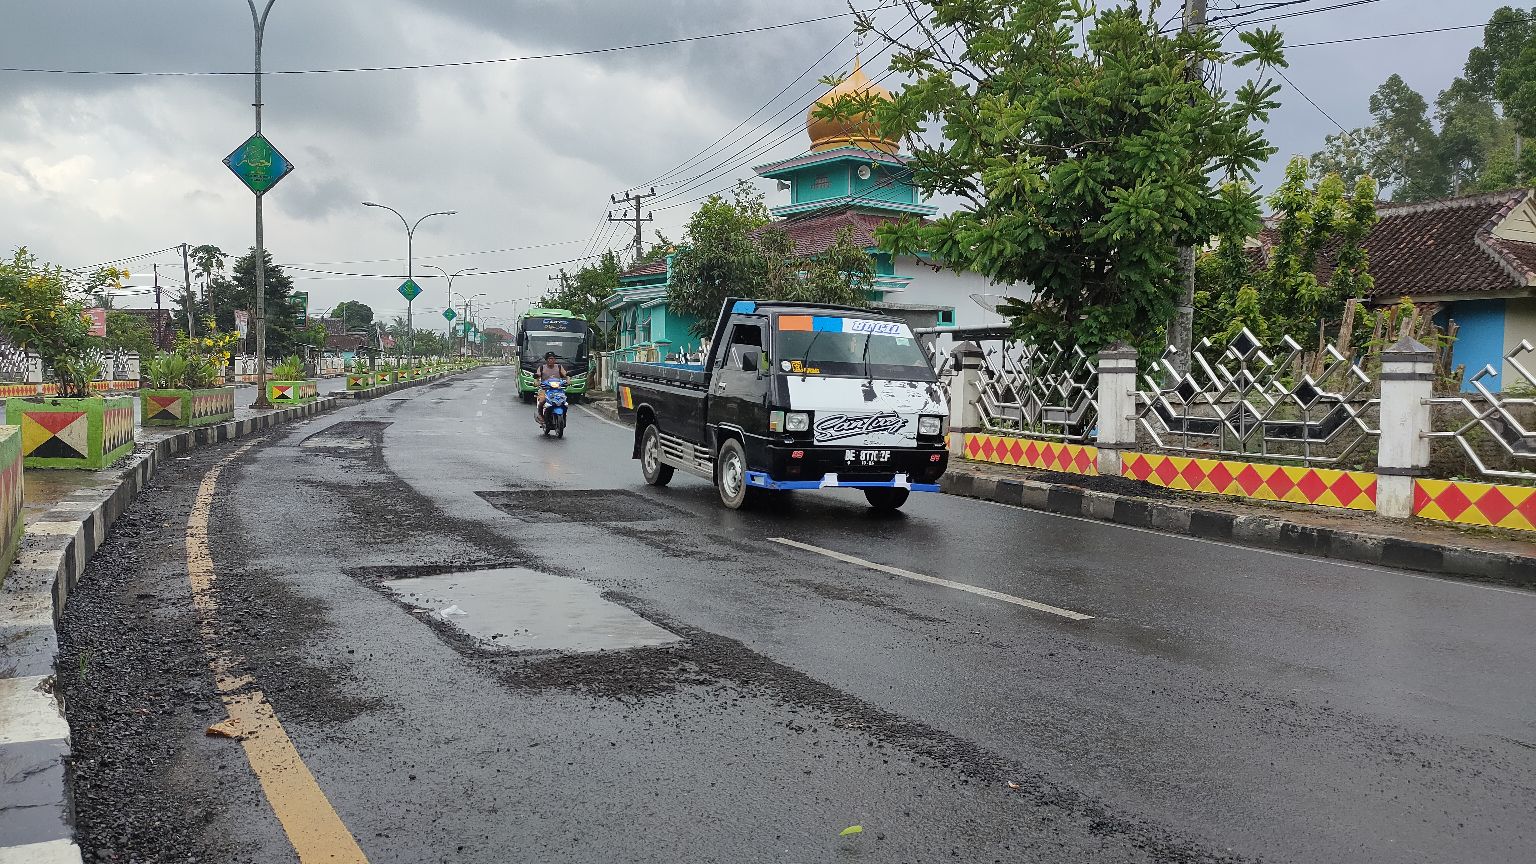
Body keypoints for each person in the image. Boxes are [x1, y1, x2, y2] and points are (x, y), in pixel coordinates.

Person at [534, 351, 567, 426]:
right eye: (549, 359)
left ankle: (564, 415)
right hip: (545, 389)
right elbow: (537, 375)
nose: (550, 360)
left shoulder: (559, 367)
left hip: (557, 389)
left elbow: (565, 374)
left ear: (555, 360)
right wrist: (536, 380)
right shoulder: (542, 368)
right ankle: (540, 415)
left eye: (552, 358)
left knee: (564, 401)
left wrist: (568, 379)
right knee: (542, 400)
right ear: (546, 360)